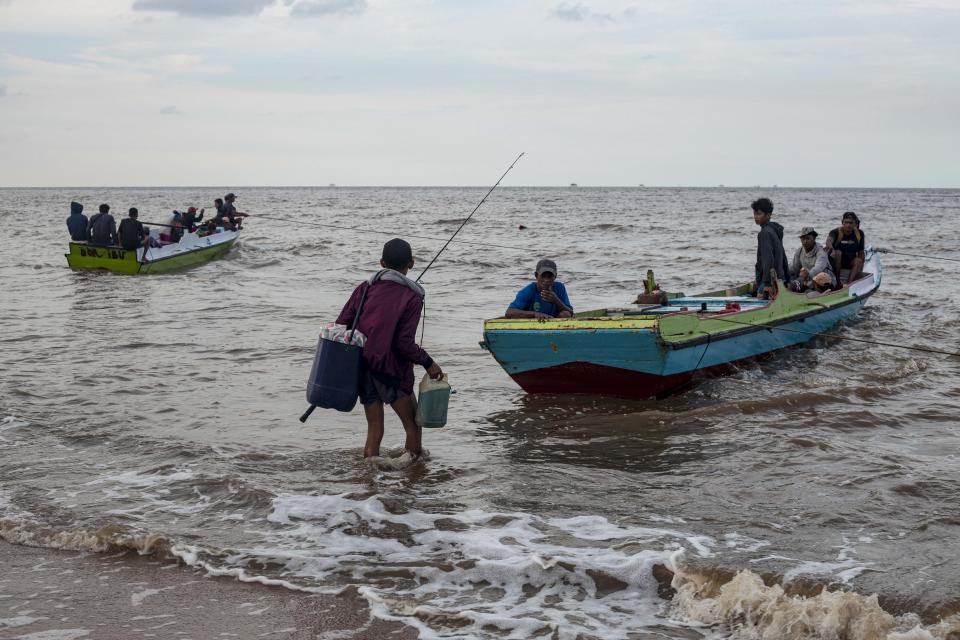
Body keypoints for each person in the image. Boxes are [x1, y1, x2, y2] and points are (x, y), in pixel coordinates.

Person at [335, 238, 443, 460]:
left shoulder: (365, 288)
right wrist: (428, 363)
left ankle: (369, 484)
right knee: (413, 425)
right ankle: (412, 482)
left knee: (374, 431)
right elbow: (404, 343)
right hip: (391, 371)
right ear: (411, 263)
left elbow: (342, 325)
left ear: (382, 263)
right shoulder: (412, 296)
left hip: (363, 368)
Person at [505, 259, 574, 320]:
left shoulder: (560, 287)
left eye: (550, 276)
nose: (546, 280)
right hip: (532, 324)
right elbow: (509, 313)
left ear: (555, 276)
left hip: (554, 323)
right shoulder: (528, 291)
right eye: (543, 276)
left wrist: (556, 300)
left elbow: (570, 312)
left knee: (565, 314)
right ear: (536, 275)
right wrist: (535, 314)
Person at [751, 197, 789, 299]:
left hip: (770, 281)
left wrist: (767, 284)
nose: (756, 217)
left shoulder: (765, 233)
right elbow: (783, 255)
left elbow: (768, 259)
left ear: (768, 215)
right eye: (755, 214)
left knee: (759, 304)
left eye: (759, 214)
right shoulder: (775, 230)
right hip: (780, 278)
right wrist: (787, 279)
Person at [788, 227, 835, 292]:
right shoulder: (799, 251)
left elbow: (819, 268)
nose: (805, 241)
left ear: (814, 238)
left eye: (808, 238)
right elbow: (794, 268)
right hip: (808, 279)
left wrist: (807, 275)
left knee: (807, 290)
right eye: (803, 239)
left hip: (825, 280)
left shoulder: (820, 251)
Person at [825, 211, 865, 284]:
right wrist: (831, 248)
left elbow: (861, 252)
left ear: (855, 224)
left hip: (850, 262)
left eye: (851, 223)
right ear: (842, 222)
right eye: (846, 222)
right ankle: (837, 281)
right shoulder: (835, 232)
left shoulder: (859, 234)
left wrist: (860, 270)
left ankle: (849, 283)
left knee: (858, 261)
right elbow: (828, 240)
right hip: (836, 261)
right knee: (838, 253)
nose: (848, 225)